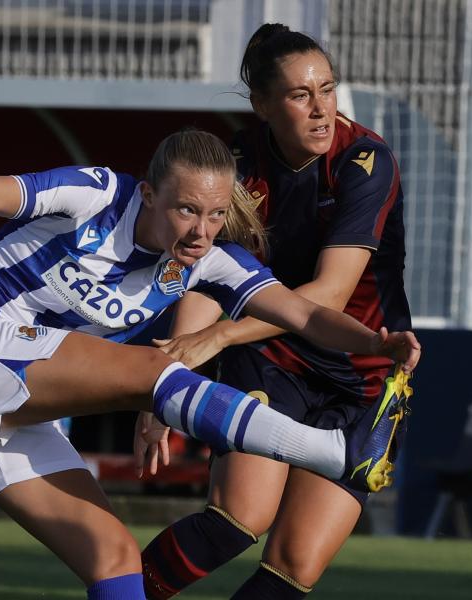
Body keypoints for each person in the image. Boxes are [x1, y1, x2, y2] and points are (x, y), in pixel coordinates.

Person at [0, 129, 419, 600]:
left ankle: (330, 453)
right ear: (150, 194)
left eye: (217, 214)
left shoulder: (212, 261)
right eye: (187, 210)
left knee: (115, 558)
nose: (202, 231)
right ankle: (330, 453)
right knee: (151, 371)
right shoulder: (97, 195)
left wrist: (375, 341)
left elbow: (303, 313)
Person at [138, 23, 412, 600]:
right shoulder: (237, 165)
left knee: (294, 565)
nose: (321, 110)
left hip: (362, 377)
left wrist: (221, 337)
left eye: (328, 89)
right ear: (262, 104)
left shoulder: (366, 162)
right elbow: (206, 279)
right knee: (238, 517)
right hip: (274, 356)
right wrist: (169, 380)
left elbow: (329, 295)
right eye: (299, 95)